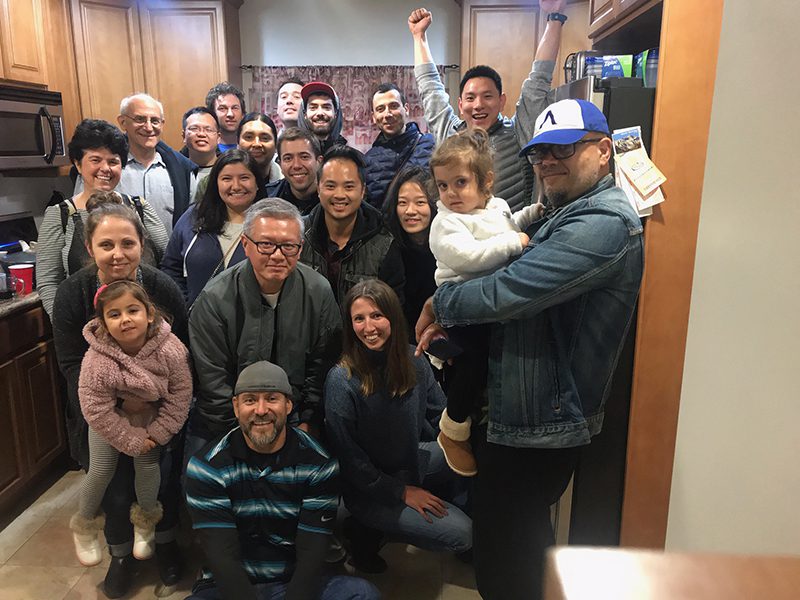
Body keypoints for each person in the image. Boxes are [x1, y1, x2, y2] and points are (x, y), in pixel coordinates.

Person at [415, 98, 645, 600]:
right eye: (540, 153)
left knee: (512, 564)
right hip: (517, 414)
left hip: (541, 424)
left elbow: (506, 292)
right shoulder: (565, 212)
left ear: (604, 151)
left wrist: (440, 299)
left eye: (563, 149)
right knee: (505, 551)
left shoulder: (602, 223)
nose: (546, 162)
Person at [52, 203, 189, 597]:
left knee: (158, 479)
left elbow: (181, 355)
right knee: (112, 485)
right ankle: (121, 556)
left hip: (159, 412)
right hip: (98, 412)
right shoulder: (72, 292)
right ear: (88, 246)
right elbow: (70, 363)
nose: (118, 254)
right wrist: (117, 408)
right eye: (106, 244)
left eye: (127, 243)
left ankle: (164, 545)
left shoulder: (161, 287)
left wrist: (156, 411)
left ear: (142, 244)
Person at [185, 361, 380, 600]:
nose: (260, 410)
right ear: (236, 407)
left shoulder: (319, 464)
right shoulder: (206, 468)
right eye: (249, 400)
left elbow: (312, 552)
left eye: (272, 398)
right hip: (229, 586)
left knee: (363, 594)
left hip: (293, 582)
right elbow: (222, 555)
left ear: (288, 405)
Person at [325, 280, 472, 574]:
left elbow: (438, 415)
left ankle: (426, 510)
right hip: (367, 488)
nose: (369, 327)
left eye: (376, 315)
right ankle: (365, 529)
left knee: (467, 456)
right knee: (463, 534)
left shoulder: (412, 359)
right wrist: (402, 492)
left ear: (392, 316)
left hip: (410, 462)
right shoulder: (341, 381)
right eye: (359, 318)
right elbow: (351, 463)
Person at [427, 128, 543, 476]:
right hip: (462, 307)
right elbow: (469, 258)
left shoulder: (496, 207)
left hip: (489, 306)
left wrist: (532, 214)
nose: (450, 193)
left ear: (486, 181)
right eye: (443, 185)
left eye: (460, 182)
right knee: (473, 365)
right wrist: (515, 244)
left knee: (492, 365)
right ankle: (453, 428)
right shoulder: (445, 223)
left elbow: (505, 226)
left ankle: (476, 421)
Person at [187, 198, 342, 457]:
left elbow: (322, 365)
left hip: (294, 418)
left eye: (288, 246)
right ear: (245, 244)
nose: (278, 255)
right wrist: (244, 433)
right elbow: (213, 383)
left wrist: (307, 421)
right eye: (266, 245)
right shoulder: (214, 299)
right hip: (230, 420)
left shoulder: (318, 291)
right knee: (197, 485)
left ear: (300, 248)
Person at [69, 281, 191, 567]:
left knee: (148, 467)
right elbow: (94, 408)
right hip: (109, 421)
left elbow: (182, 393)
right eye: (114, 314)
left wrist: (158, 433)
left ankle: (146, 522)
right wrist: (130, 439)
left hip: (150, 420)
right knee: (100, 470)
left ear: (149, 313)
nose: (125, 319)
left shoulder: (170, 348)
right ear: (103, 323)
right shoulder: (97, 358)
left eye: (132, 310)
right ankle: (84, 525)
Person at [408, 1, 567, 212]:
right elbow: (430, 89)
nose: (478, 105)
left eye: (487, 96)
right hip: (459, 238)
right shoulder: (450, 134)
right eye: (471, 98)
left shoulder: (519, 132)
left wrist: (555, 18)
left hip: (514, 239)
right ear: (461, 104)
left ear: (501, 101)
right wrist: (419, 36)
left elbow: (538, 80)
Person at [37, 118, 169, 319]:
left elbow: (168, 261)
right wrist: (66, 325)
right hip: (85, 327)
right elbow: (48, 282)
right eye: (96, 160)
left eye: (113, 161)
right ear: (78, 164)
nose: (105, 168)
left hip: (142, 325)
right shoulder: (61, 215)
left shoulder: (139, 207)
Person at [299, 145, 405, 306]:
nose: (339, 195)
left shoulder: (384, 244)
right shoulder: (298, 235)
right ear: (318, 188)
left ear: (362, 191)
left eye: (349, 187)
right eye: (330, 186)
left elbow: (393, 310)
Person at [161, 149, 265, 306]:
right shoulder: (195, 217)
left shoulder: (270, 223)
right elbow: (171, 267)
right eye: (226, 178)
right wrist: (184, 305)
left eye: (244, 178)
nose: (236, 186)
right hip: (197, 323)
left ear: (257, 183)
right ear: (216, 183)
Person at [116, 93, 196, 233]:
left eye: (154, 121)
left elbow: (192, 224)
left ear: (162, 124)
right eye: (140, 119)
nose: (148, 127)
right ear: (123, 122)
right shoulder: (106, 169)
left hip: (169, 254)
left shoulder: (182, 170)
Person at [382, 166, 437, 339]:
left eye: (420, 202)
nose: (410, 211)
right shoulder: (388, 250)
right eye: (402, 203)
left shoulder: (448, 247)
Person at [364, 83, 434, 209]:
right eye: (380, 109)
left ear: (406, 109)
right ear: (373, 117)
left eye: (393, 106)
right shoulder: (367, 160)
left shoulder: (431, 146)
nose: (388, 114)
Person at [265, 127, 323, 215]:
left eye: (304, 157)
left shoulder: (332, 198)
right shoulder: (268, 197)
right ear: (280, 164)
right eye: (288, 158)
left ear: (319, 161)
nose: (296, 165)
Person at [181, 106, 221, 197]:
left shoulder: (228, 169)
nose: (202, 134)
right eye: (194, 128)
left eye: (208, 129)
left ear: (218, 137)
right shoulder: (176, 171)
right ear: (184, 136)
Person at [298, 81, 348, 154]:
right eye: (313, 108)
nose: (320, 113)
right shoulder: (293, 153)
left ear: (335, 114)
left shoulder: (348, 156)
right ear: (305, 114)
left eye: (326, 107)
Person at [238, 112, 283, 184]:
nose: (257, 144)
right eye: (249, 137)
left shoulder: (287, 183)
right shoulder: (221, 180)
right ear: (238, 142)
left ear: (275, 144)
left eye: (265, 138)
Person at [206, 82, 246, 152]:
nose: (230, 114)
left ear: (243, 113)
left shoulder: (251, 149)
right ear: (212, 114)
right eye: (222, 108)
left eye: (235, 108)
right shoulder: (202, 149)